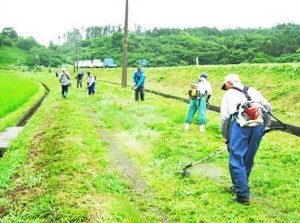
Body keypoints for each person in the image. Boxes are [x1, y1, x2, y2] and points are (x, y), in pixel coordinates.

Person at [220, 73, 271, 205]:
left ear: (229, 83)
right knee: (248, 158)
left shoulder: (228, 94)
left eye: (225, 85)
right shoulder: (253, 90)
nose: (226, 88)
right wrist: (264, 126)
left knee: (236, 159)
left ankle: (242, 196)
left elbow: (225, 119)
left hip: (240, 125)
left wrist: (226, 137)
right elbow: (268, 108)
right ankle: (240, 185)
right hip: (258, 125)